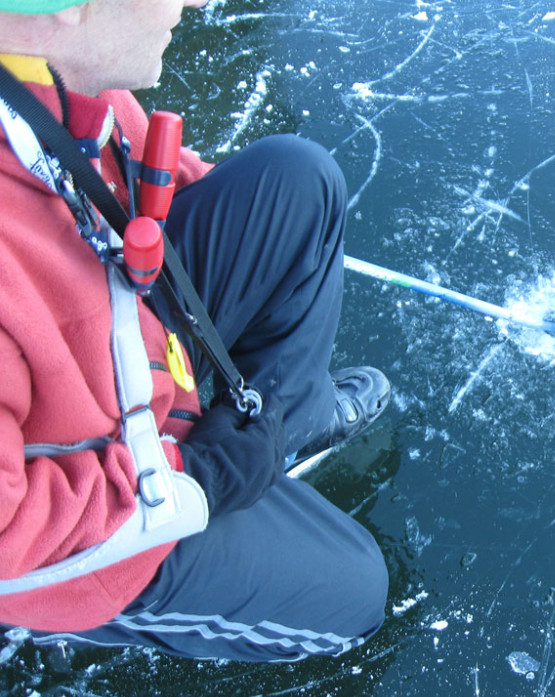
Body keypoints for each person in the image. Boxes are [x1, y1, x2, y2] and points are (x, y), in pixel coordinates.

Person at [0, 0, 393, 661]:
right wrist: (197, 477)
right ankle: (49, 613)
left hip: (112, 359)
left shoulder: (49, 78)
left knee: (296, 182)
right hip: (70, 519)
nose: (195, 2)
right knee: (354, 594)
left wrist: (243, 227)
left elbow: (136, 173)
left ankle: (281, 434)